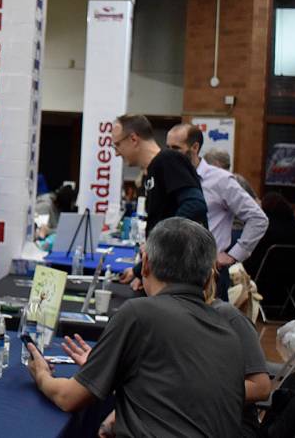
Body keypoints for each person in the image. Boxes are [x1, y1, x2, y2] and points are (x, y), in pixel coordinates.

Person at [27, 217, 245, 437]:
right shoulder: (229, 333)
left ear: (146, 264)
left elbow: (68, 398)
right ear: (209, 277)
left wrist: (42, 375)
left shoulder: (139, 314)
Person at [58, 267, 270, 438]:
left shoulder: (226, 317)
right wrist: (106, 369)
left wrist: (187, 390)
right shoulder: (162, 321)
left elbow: (261, 387)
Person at [167, 123, 267, 300]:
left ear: (195, 147)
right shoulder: (170, 176)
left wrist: (233, 255)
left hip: (207, 275)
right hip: (172, 271)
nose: (169, 153)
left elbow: (258, 218)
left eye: (176, 148)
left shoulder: (220, 180)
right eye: (167, 148)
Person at [112, 114, 207, 291]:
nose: (116, 152)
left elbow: (196, 205)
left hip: (182, 277)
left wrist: (158, 239)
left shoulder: (168, 160)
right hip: (168, 272)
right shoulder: (153, 170)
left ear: (133, 139)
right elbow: (163, 218)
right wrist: (139, 271)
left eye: (117, 144)